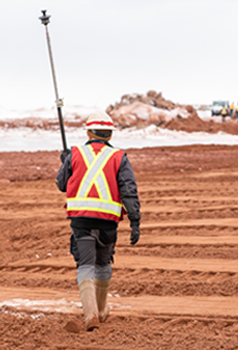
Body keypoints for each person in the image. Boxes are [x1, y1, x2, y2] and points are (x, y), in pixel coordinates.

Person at [56, 111, 141, 331]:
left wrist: (66, 161)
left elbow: (61, 184)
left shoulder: (76, 154)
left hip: (81, 221)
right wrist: (135, 221)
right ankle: (101, 311)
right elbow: (129, 191)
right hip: (107, 224)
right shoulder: (119, 157)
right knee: (103, 264)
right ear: (110, 135)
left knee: (85, 265)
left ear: (89, 132)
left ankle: (90, 314)